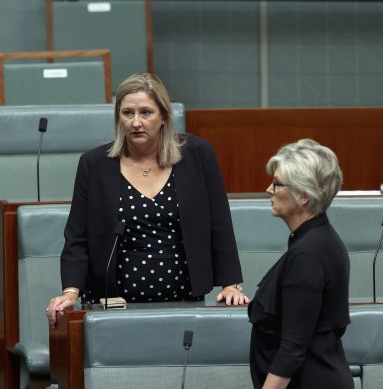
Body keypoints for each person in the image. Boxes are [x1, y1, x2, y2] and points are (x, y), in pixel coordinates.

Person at [46, 72, 248, 327]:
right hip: (114, 305)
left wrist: (230, 284)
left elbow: (219, 224)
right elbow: (77, 237)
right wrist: (70, 291)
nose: (136, 122)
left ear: (163, 116)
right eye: (127, 113)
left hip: (185, 300)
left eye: (146, 112)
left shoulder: (197, 155)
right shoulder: (95, 164)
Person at [248, 139, 353, 389]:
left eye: (277, 184)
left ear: (303, 196)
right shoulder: (318, 239)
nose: (268, 190)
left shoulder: (308, 254)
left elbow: (292, 349)